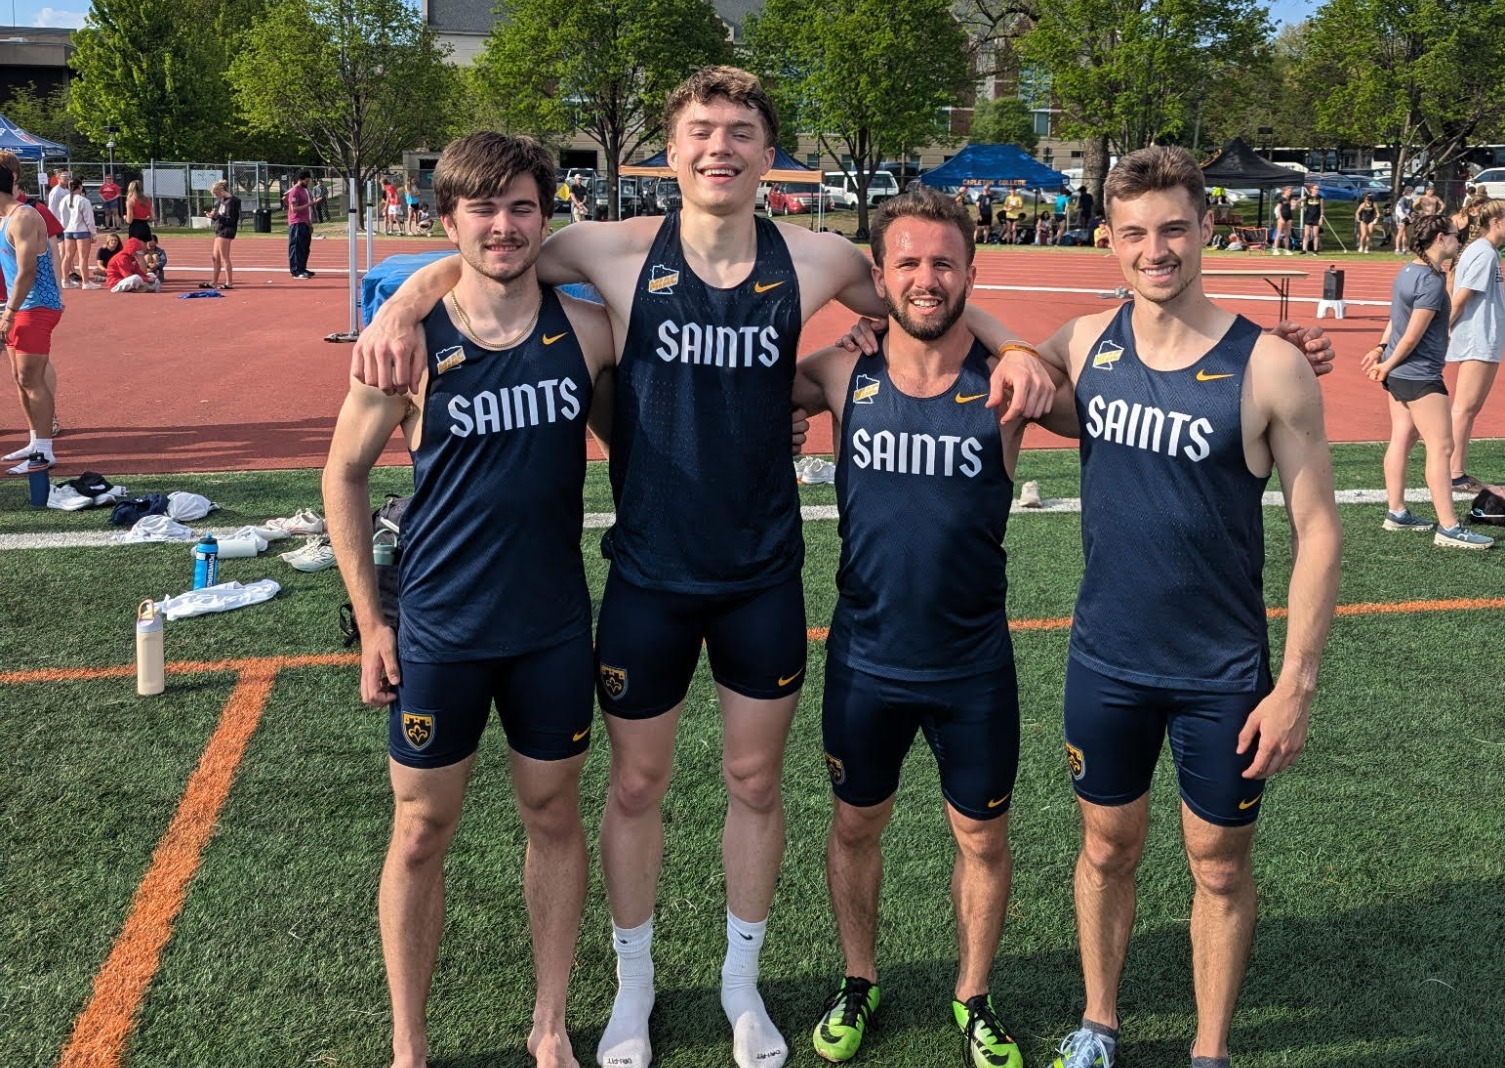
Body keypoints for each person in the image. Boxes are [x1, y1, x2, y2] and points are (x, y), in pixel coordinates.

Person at [350, 65, 1054, 1068]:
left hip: (760, 575)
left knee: (754, 783)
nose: (719, 146)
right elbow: (486, 256)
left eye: (740, 131)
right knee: (635, 787)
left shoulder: (812, 257)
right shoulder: (609, 248)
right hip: (648, 576)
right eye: (701, 130)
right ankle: (631, 990)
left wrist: (1014, 344)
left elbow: (922, 292)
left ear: (768, 153)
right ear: (670, 150)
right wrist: (397, 309)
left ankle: (740, 986)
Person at [1005, 146, 1344, 1068]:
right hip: (1104, 661)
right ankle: (1098, 1023)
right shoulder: (1086, 343)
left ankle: (1209, 1050)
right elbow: (1018, 363)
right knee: (1104, 848)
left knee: (1218, 866)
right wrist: (1014, 355)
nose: (1154, 251)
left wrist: (1296, 684)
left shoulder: (1268, 366)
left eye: (1172, 230)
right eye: (1133, 234)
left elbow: (1318, 530)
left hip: (1220, 674)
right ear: (1108, 242)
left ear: (1204, 230)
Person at [325, 131, 617, 1068]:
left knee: (553, 817)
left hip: (549, 629)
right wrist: (373, 623)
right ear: (447, 219)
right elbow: (342, 475)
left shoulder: (587, 331)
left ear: (545, 216)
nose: (503, 226)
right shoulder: (407, 346)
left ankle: (549, 1022)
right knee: (420, 831)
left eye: (521, 206)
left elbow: (663, 409)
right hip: (439, 630)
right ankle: (408, 1043)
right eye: (482, 209)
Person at [790, 187, 1030, 1068]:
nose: (926, 279)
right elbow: (729, 384)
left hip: (972, 666)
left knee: (983, 838)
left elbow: (1137, 383)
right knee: (856, 826)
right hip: (866, 660)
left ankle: (973, 995)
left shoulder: (1010, 383)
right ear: (879, 276)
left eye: (943, 263)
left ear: (970, 272)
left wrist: (1015, 343)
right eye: (907, 263)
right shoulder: (839, 373)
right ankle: (858, 978)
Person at [1361, 213, 1494, 547]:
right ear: (1440, 239)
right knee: (1442, 447)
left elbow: (1397, 322)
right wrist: (1387, 362)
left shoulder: (1409, 271)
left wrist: (1381, 351)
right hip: (1419, 375)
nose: (1459, 241)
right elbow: (1411, 335)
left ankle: (1396, 512)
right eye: (1455, 236)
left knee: (1402, 438)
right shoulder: (1431, 282)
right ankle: (1449, 527)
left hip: (1401, 375)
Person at [0, 164, 65, 474]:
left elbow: (27, 272)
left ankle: (44, 451)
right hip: (22, 306)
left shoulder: (23, 217)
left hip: (35, 306)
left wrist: (9, 312)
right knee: (20, 377)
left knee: (31, 378)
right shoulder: (6, 219)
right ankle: (34, 441)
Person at [1446, 198, 1505, 492]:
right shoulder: (1484, 253)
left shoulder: (1485, 251)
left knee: (1468, 408)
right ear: (1496, 222)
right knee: (1465, 408)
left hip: (1483, 335)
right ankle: (1454, 473)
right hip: (1478, 336)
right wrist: (1443, 328)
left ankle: (1456, 471)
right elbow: (1460, 297)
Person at [59, 177, 99, 289]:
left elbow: (63, 218)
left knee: (67, 256)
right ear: (80, 187)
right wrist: (93, 233)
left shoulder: (64, 200)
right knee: (83, 257)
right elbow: (89, 219)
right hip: (81, 231)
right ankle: (86, 282)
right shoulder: (83, 201)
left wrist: (64, 228)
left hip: (68, 231)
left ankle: (65, 280)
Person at [206, 179, 241, 289]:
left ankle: (229, 282)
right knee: (215, 258)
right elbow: (221, 216)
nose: (216, 196)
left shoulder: (231, 202)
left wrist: (217, 216)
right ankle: (214, 282)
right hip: (220, 230)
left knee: (224, 257)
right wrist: (213, 216)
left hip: (226, 231)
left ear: (221, 191)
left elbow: (230, 220)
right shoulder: (222, 201)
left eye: (216, 194)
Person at [285, 171, 315, 279]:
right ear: (300, 180)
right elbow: (294, 208)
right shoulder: (295, 191)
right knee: (297, 247)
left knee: (305, 248)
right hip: (296, 222)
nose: (307, 183)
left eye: (308, 181)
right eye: (306, 181)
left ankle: (302, 268)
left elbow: (307, 211)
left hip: (305, 222)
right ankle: (296, 271)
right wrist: (309, 204)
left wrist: (309, 223)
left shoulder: (305, 190)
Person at [1299, 182, 1323, 254]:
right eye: (1315, 189)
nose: (1317, 190)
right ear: (1311, 189)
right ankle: (1304, 250)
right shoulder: (1308, 196)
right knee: (1306, 234)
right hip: (1308, 218)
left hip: (1316, 218)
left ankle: (1315, 250)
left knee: (1315, 235)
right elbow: (1299, 201)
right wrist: (1302, 207)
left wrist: (1321, 217)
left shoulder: (1320, 197)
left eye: (1317, 189)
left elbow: (1322, 208)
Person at [1271, 186, 1294, 255]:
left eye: (1291, 191)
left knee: (1287, 234)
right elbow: (1278, 209)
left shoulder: (1289, 198)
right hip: (1282, 217)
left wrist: (1294, 205)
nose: (1290, 192)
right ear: (1285, 191)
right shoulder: (1281, 199)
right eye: (1289, 191)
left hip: (1289, 217)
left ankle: (1286, 250)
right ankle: (1275, 249)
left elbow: (1291, 207)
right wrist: (1280, 218)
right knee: (1279, 233)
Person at [1393, 186, 1413, 253]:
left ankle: (1404, 249)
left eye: (1411, 191)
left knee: (1405, 233)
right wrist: (1408, 217)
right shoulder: (1403, 199)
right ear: (1406, 191)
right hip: (1401, 217)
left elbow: (1411, 208)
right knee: (1400, 233)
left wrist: (1418, 212)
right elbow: (1403, 209)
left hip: (1406, 217)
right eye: (1409, 191)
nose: (1410, 192)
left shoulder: (1410, 199)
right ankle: (1397, 249)